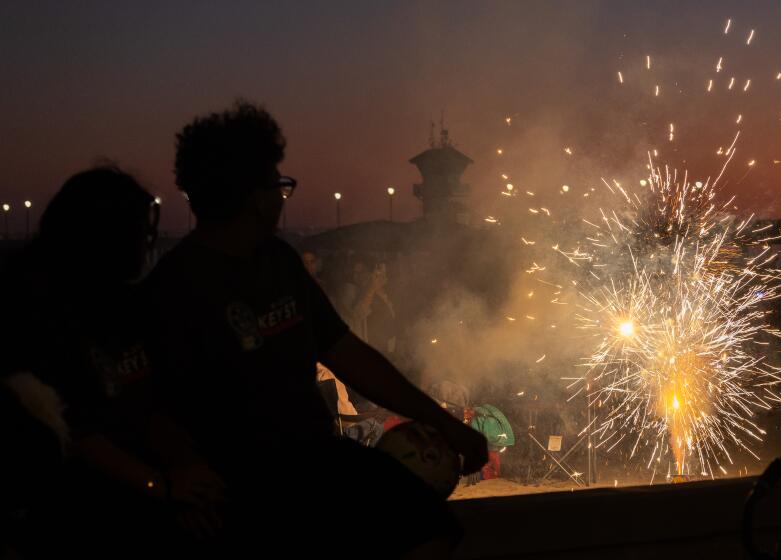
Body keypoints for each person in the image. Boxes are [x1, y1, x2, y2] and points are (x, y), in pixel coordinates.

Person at [145, 100, 487, 557]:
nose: (281, 198)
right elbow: (149, 401)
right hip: (237, 480)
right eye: (276, 184)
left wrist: (445, 422)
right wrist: (180, 467)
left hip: (312, 457)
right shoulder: (176, 286)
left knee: (429, 526)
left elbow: (348, 354)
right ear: (251, 195)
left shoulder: (279, 263)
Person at [0, 167, 225, 557]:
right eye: (141, 232)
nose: (149, 243)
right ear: (107, 236)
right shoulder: (32, 318)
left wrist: (184, 473)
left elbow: (151, 403)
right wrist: (159, 486)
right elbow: (73, 432)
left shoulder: (128, 308)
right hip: (82, 515)